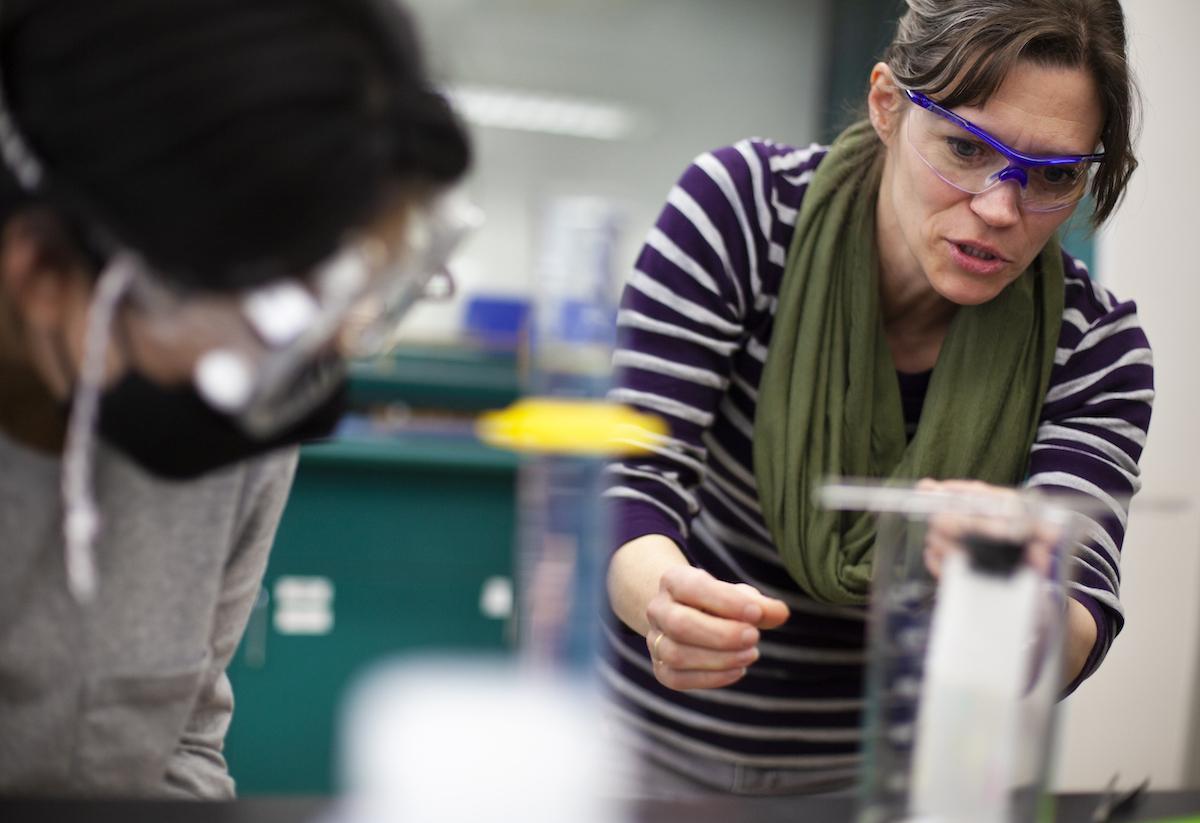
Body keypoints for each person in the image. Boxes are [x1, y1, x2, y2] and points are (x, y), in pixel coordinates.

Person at [603, 0, 1152, 798]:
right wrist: (666, 602)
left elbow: (1076, 621)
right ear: (888, 105)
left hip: (894, 788)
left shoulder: (1094, 348)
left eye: (1055, 176)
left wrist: (1013, 587)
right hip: (647, 767)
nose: (1001, 209)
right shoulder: (740, 216)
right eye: (966, 147)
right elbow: (632, 484)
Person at [0, 0, 471, 798]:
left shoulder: (241, 402)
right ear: (44, 273)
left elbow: (180, 741)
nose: (289, 376)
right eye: (267, 320)